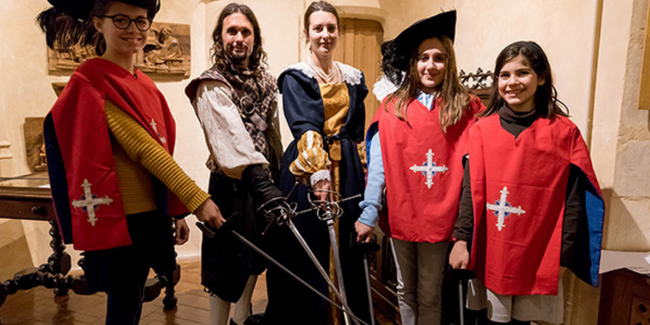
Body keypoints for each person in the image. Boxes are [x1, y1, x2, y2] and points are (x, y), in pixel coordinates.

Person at [38, 1, 224, 324]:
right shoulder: (91, 80)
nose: (134, 30)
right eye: (121, 20)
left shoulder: (144, 83)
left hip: (150, 216)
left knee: (132, 302)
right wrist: (198, 201)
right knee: (124, 307)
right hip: (120, 221)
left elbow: (161, 152)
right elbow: (144, 150)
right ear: (98, 23)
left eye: (141, 21)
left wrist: (175, 209)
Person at [448, 41, 605, 325]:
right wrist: (461, 239)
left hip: (537, 251)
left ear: (541, 77)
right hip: (490, 250)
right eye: (504, 75)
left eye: (522, 73)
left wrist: (564, 254)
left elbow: (573, 200)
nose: (512, 82)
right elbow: (470, 191)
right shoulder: (482, 129)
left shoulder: (563, 132)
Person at [354, 11, 484, 325]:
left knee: (429, 293)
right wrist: (369, 212)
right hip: (401, 214)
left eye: (439, 58)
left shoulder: (465, 107)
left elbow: (477, 166)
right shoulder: (393, 107)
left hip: (441, 218)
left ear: (449, 63)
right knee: (404, 290)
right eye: (423, 57)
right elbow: (380, 163)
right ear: (413, 63)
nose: (430, 65)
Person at [263, 1, 369, 324]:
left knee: (347, 245)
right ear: (306, 33)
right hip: (307, 170)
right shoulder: (297, 77)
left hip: (346, 166)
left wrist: (361, 170)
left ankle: (345, 313)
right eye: (318, 28)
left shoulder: (353, 78)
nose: (325, 35)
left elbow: (355, 130)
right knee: (308, 246)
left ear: (338, 31)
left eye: (331, 28)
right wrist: (319, 173)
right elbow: (304, 125)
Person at [184, 3, 283, 325]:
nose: (239, 38)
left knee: (253, 261)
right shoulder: (211, 83)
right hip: (229, 187)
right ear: (220, 37)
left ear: (255, 39)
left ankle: (241, 320)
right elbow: (231, 143)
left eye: (245, 32)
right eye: (232, 31)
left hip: (264, 188)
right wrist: (262, 181)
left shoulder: (267, 82)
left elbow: (274, 137)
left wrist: (278, 178)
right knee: (225, 268)